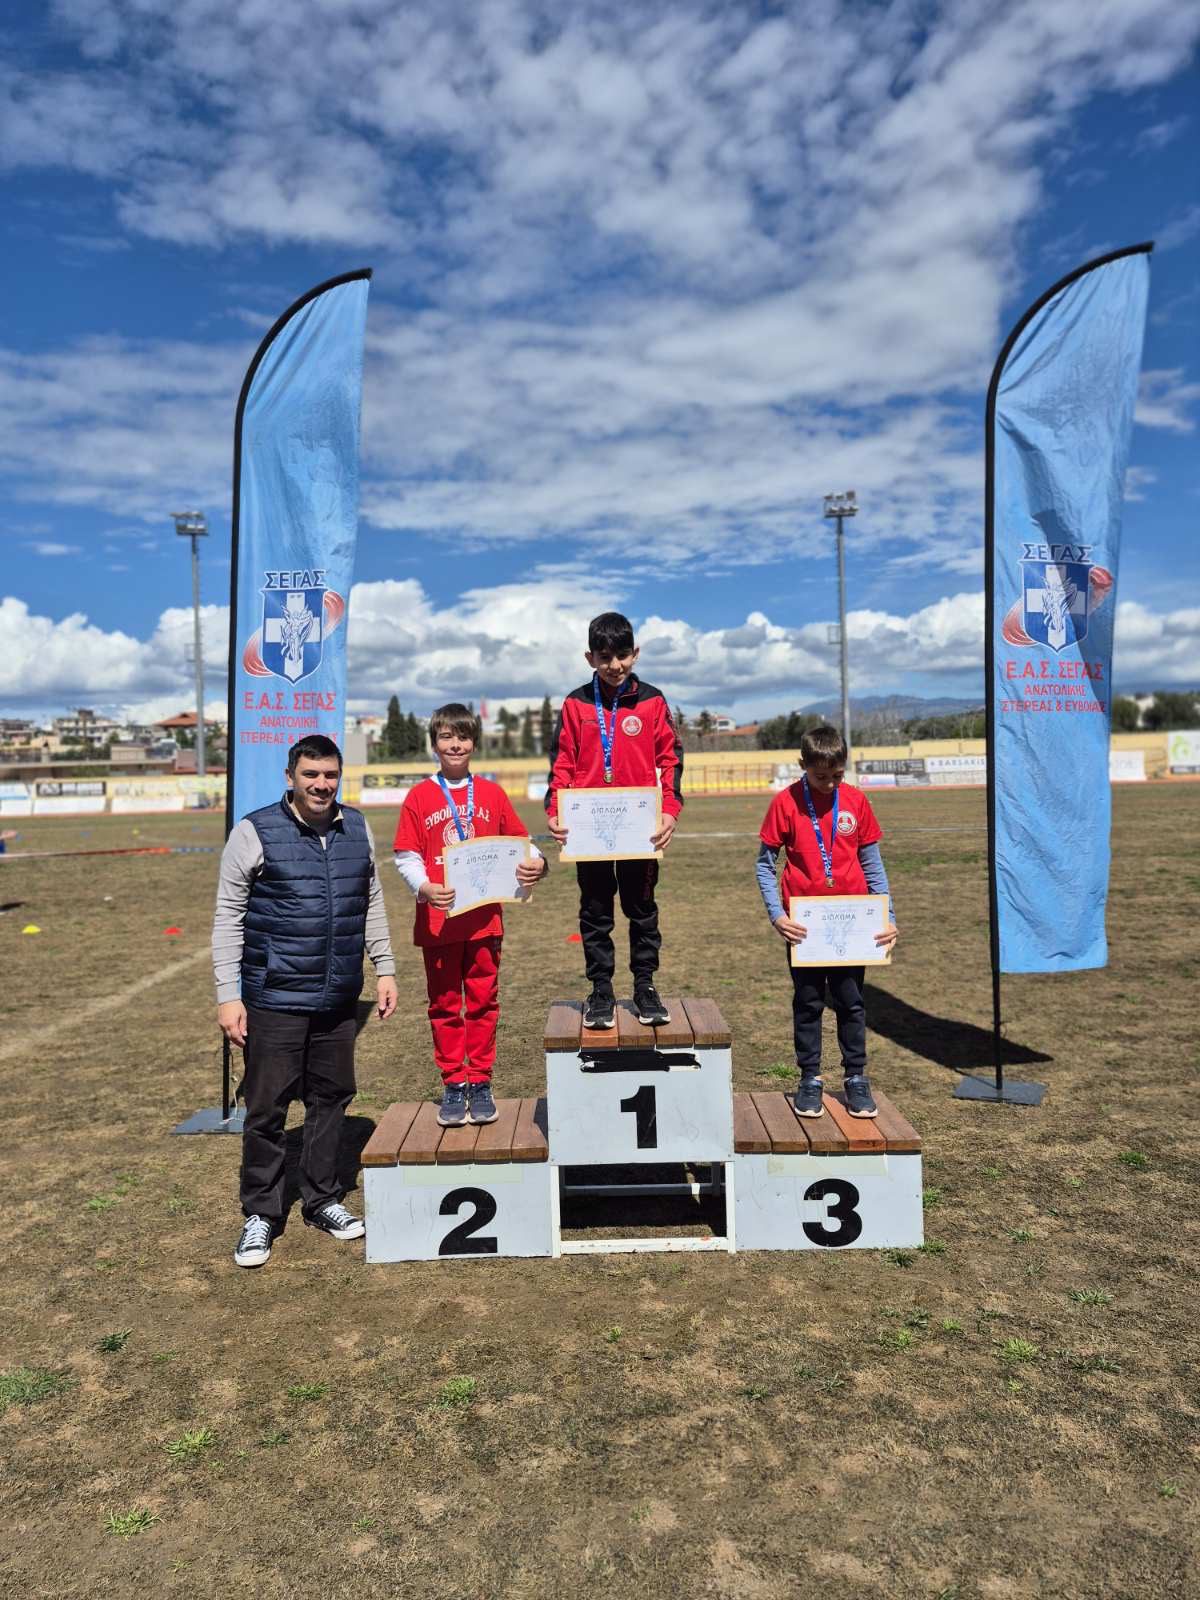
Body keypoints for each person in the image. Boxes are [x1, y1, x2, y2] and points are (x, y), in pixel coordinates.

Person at [213, 735, 398, 1269]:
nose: (321, 784)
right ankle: (261, 1212)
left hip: (338, 995)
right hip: (275, 996)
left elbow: (371, 901)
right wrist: (229, 996)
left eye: (330, 775)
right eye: (311, 774)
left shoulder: (357, 827)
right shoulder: (254, 831)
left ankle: (322, 1198)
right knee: (267, 1107)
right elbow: (228, 916)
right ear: (290, 777)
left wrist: (384, 967)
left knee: (331, 1098)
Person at [393, 703, 547, 1127]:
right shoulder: (419, 796)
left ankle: (480, 1080)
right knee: (444, 1005)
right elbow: (406, 855)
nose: (455, 744)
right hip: (439, 921)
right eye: (446, 736)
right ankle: (453, 1082)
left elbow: (521, 842)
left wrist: (538, 862)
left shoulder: (492, 794)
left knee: (483, 1003)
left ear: (474, 742)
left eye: (462, 736)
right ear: (434, 744)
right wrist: (424, 887)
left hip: (484, 920)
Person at [545, 610, 682, 1030]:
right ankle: (601, 990)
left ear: (635, 653)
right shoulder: (576, 704)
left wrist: (669, 810)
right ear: (590, 658)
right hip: (589, 831)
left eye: (622, 655)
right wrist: (555, 811)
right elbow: (562, 762)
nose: (614, 665)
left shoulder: (653, 701)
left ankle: (645, 986)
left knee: (642, 910)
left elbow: (670, 759)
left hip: (640, 829)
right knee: (595, 912)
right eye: (605, 657)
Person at [755, 724, 898, 1119]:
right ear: (803, 765)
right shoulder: (785, 803)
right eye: (821, 776)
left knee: (851, 1002)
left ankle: (856, 1077)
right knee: (809, 1002)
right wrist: (777, 915)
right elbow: (765, 866)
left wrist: (888, 916)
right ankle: (810, 1079)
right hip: (805, 927)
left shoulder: (856, 800)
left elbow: (872, 864)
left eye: (838, 775)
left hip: (853, 925)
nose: (831, 784)